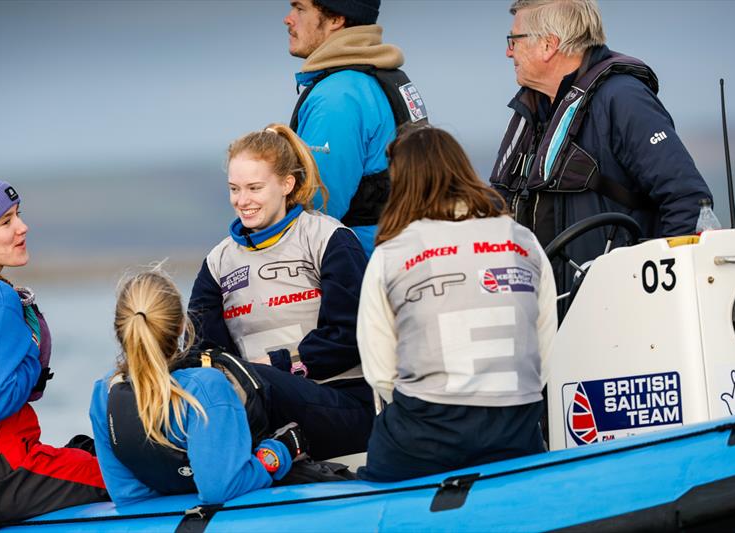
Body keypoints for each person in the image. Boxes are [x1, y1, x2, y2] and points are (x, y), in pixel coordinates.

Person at [356, 125, 557, 482]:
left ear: (401, 182)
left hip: (427, 433)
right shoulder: (522, 239)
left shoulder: (391, 254)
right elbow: (544, 344)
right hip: (517, 428)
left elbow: (380, 370)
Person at [489, 0, 712, 292]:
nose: (508, 52)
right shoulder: (536, 111)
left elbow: (687, 201)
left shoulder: (623, 98)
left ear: (548, 45)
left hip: (612, 312)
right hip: (546, 313)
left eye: (513, 40)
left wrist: (657, 295)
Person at [189, 124, 374, 460]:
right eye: (234, 189)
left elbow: (351, 336)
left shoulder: (327, 239)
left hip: (340, 402)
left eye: (254, 188)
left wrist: (273, 366)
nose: (242, 201)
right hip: (261, 402)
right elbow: (205, 351)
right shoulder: (219, 261)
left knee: (252, 379)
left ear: (287, 184)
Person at [0, 176, 108, 523]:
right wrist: (30, 357)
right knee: (126, 474)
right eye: (6, 222)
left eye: (18, 214)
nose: (23, 227)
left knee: (81, 450)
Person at [88, 269, 307, 506]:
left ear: (119, 328)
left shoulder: (104, 392)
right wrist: (278, 452)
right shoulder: (206, 386)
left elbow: (127, 494)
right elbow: (220, 489)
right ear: (182, 325)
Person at [284, 0, 428, 256]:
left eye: (300, 8)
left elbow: (318, 210)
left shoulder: (338, 96)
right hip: (408, 257)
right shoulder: (386, 77)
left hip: (360, 272)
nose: (288, 19)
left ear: (336, 19)